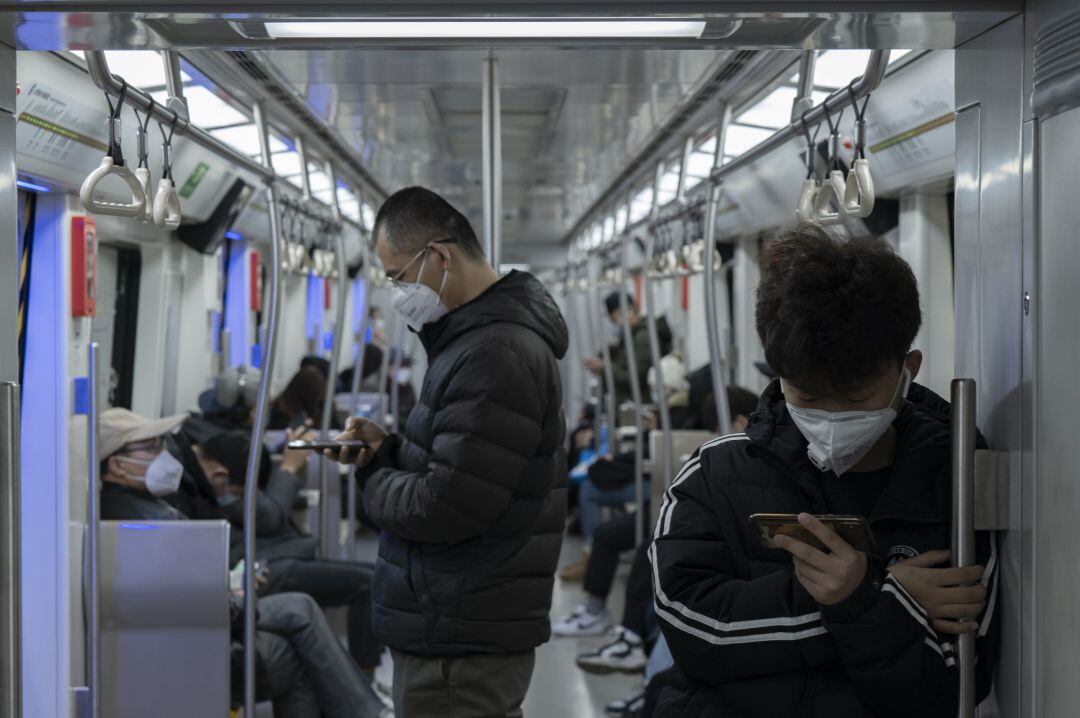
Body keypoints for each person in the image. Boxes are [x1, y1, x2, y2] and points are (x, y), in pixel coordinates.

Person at [650, 226, 999, 717]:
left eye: (857, 399)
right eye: (808, 398)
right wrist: (881, 599)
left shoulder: (958, 483)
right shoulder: (715, 472)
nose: (832, 419)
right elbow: (698, 633)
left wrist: (859, 599)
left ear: (909, 368)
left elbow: (952, 685)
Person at [330, 186, 568, 718]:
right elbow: (463, 466)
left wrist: (372, 473)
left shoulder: (494, 354)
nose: (397, 293)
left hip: (460, 631)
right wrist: (389, 449)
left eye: (396, 276)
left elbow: (445, 504)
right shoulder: (472, 342)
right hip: (457, 612)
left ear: (439, 256)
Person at [96, 407, 387, 717]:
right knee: (298, 626)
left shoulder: (130, 507)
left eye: (163, 443)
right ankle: (368, 711)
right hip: (200, 629)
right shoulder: (157, 522)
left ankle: (367, 710)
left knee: (300, 619)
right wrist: (239, 594)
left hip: (196, 615)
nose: (165, 454)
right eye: (153, 447)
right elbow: (208, 599)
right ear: (118, 465)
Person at [554, 387, 758, 638]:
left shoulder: (745, 456)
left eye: (716, 430)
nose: (715, 436)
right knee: (611, 536)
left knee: (651, 549)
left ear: (738, 422)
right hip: (684, 509)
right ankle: (605, 618)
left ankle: (632, 634)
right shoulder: (729, 453)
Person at [191, 429, 383, 672]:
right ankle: (366, 676)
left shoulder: (217, 463)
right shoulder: (208, 480)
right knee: (368, 582)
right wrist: (289, 467)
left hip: (273, 554)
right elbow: (270, 517)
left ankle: (367, 671)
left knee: (375, 575)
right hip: (260, 565)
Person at [584, 292, 672, 409]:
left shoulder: (643, 338)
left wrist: (606, 367)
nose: (614, 323)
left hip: (639, 405)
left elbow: (636, 377)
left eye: (614, 318)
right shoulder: (632, 337)